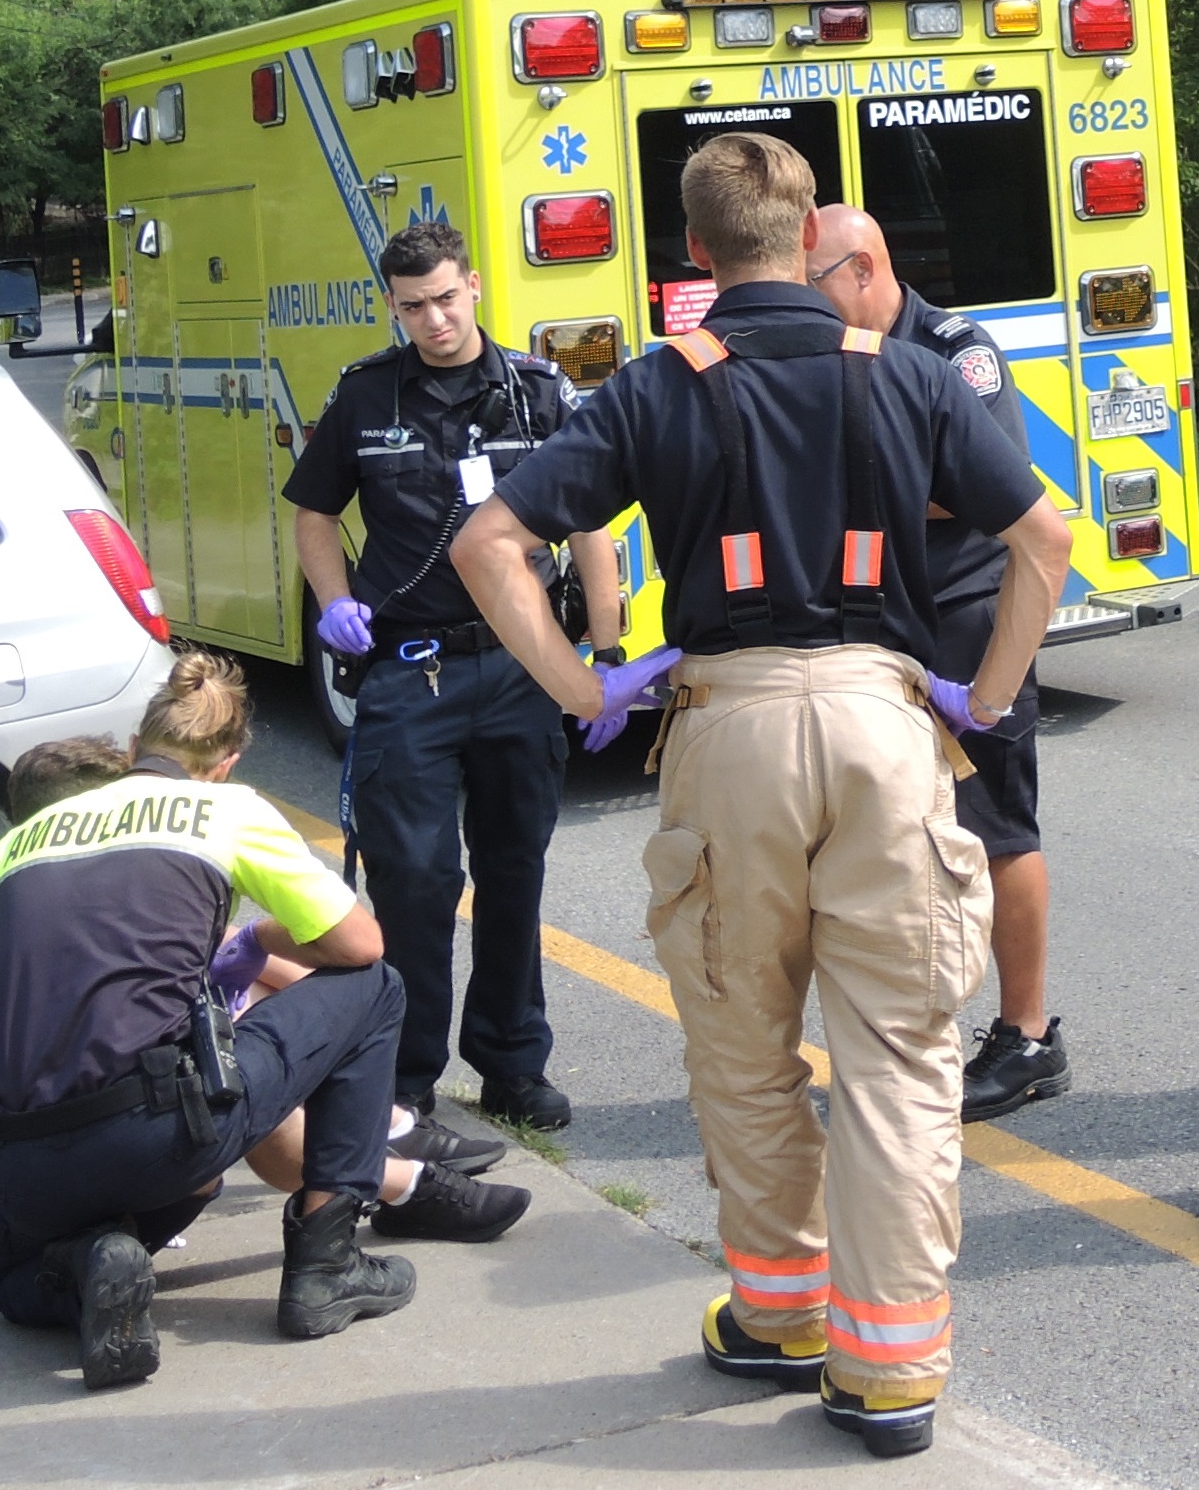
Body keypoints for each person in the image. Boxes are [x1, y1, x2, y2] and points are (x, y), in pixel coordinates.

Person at [450, 132, 1072, 1458]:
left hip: (724, 729)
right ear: (806, 238)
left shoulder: (651, 386)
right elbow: (1043, 536)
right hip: (884, 723)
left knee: (743, 1045)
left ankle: (780, 1312)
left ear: (694, 252)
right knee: (900, 1053)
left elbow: (489, 543)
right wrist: (989, 693)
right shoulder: (907, 373)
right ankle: (890, 1369)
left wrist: (581, 686)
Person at [0, 652, 416, 1391]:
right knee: (377, 987)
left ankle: (87, 1264)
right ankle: (325, 1265)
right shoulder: (227, 810)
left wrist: (8, 1118)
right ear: (225, 764)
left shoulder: (20, 842)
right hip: (163, 1135)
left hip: (27, 1163)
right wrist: (261, 936)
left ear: (135, 747)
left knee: (13, 1283)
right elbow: (359, 946)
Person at [284, 220, 623, 1131]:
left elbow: (588, 522)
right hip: (411, 669)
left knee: (514, 871)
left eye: (444, 298)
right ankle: (405, 1079)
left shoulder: (537, 392)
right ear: (392, 307)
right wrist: (333, 601)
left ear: (472, 285)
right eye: (412, 307)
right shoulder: (367, 395)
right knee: (416, 879)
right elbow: (313, 512)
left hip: (519, 666)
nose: (433, 321)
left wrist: (605, 650)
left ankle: (513, 1063)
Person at [7, 736, 531, 1231]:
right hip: (133, 1129)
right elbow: (358, 945)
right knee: (238, 1059)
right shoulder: (118, 878)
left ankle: (383, 1131)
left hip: (67, 1139)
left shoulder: (16, 893)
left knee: (249, 1001)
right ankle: (396, 1185)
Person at [806, 203, 1069, 1122]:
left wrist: (842, 487)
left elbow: (983, 485)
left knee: (996, 827)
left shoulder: (956, 351)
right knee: (888, 835)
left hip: (969, 616)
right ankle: (909, 1036)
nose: (804, 299)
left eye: (812, 282)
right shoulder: (835, 352)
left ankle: (1027, 1036)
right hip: (879, 618)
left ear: (863, 269)